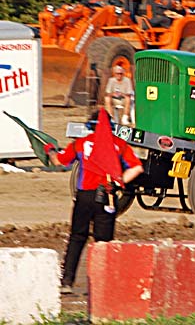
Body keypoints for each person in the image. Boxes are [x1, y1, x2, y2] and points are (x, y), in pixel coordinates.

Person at [44, 109, 144, 294]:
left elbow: (59, 161)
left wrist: (49, 150)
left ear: (90, 126)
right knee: (103, 243)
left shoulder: (81, 144)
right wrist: (118, 180)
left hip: (84, 197)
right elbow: (137, 168)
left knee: (77, 237)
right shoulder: (119, 145)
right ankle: (101, 286)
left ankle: (67, 282)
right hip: (107, 197)